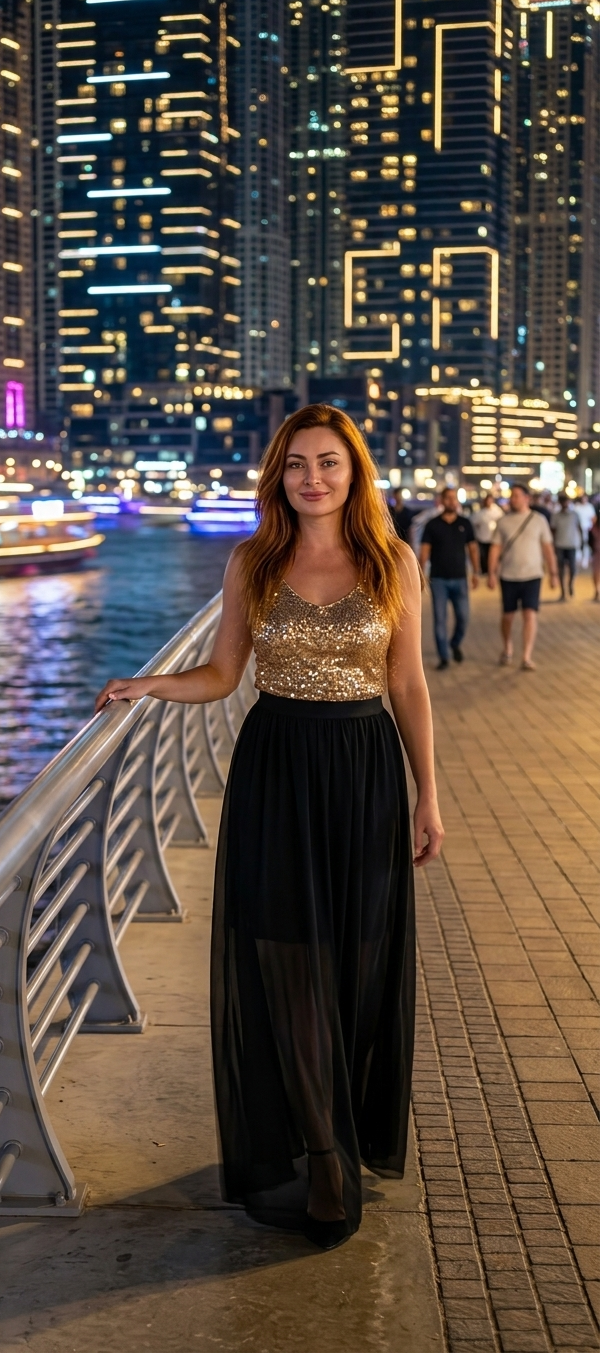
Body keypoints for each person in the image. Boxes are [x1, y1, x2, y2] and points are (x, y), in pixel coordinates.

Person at [96, 403, 443, 1252]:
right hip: (276, 772)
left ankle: (341, 1132)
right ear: (277, 475)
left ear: (354, 472)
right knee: (289, 963)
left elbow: (407, 685)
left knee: (356, 966)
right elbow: (224, 674)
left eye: (328, 462)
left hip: (364, 771)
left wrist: (428, 794)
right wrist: (151, 685)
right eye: (295, 464)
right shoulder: (252, 560)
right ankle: (323, 1158)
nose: (311, 478)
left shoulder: (392, 560)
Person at [487, 483, 558, 670]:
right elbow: (495, 549)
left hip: (533, 575)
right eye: (512, 496)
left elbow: (547, 548)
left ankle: (526, 656)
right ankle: (507, 648)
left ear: (527, 498)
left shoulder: (539, 520)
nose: (513, 499)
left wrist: (553, 573)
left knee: (530, 614)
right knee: (508, 616)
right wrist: (491, 573)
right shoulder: (503, 522)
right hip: (508, 576)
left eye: (517, 496)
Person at [419, 488, 480, 669]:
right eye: (448, 498)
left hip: (460, 579)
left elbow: (473, 549)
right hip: (438, 580)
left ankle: (454, 643)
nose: (452, 501)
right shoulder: (432, 525)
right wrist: (420, 575)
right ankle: (444, 657)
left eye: (454, 498)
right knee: (440, 619)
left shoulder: (465, 523)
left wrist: (476, 572)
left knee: (464, 617)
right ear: (442, 501)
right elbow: (424, 551)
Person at [550, 493, 583, 600]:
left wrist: (582, 542)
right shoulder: (556, 516)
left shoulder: (574, 515)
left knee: (573, 568)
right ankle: (563, 592)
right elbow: (553, 531)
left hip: (571, 545)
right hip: (560, 545)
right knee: (561, 569)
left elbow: (579, 528)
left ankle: (570, 585)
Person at [470, 492, 503, 575]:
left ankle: (493, 571)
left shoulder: (497, 511)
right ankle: (485, 572)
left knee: (493, 556)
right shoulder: (480, 513)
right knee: (484, 557)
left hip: (494, 539)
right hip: (483, 538)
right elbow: (473, 522)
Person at [574, 493, 596, 569]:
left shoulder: (589, 507)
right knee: (578, 543)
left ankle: (585, 559)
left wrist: (592, 527)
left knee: (586, 544)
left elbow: (593, 518)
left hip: (587, 529)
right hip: (577, 529)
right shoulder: (577, 507)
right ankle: (578, 557)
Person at [589, 509, 600, 602]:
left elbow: (590, 541)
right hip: (597, 552)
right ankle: (597, 590)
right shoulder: (594, 528)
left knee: (596, 573)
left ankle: (597, 590)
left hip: (596, 551)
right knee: (596, 573)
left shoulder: (593, 528)